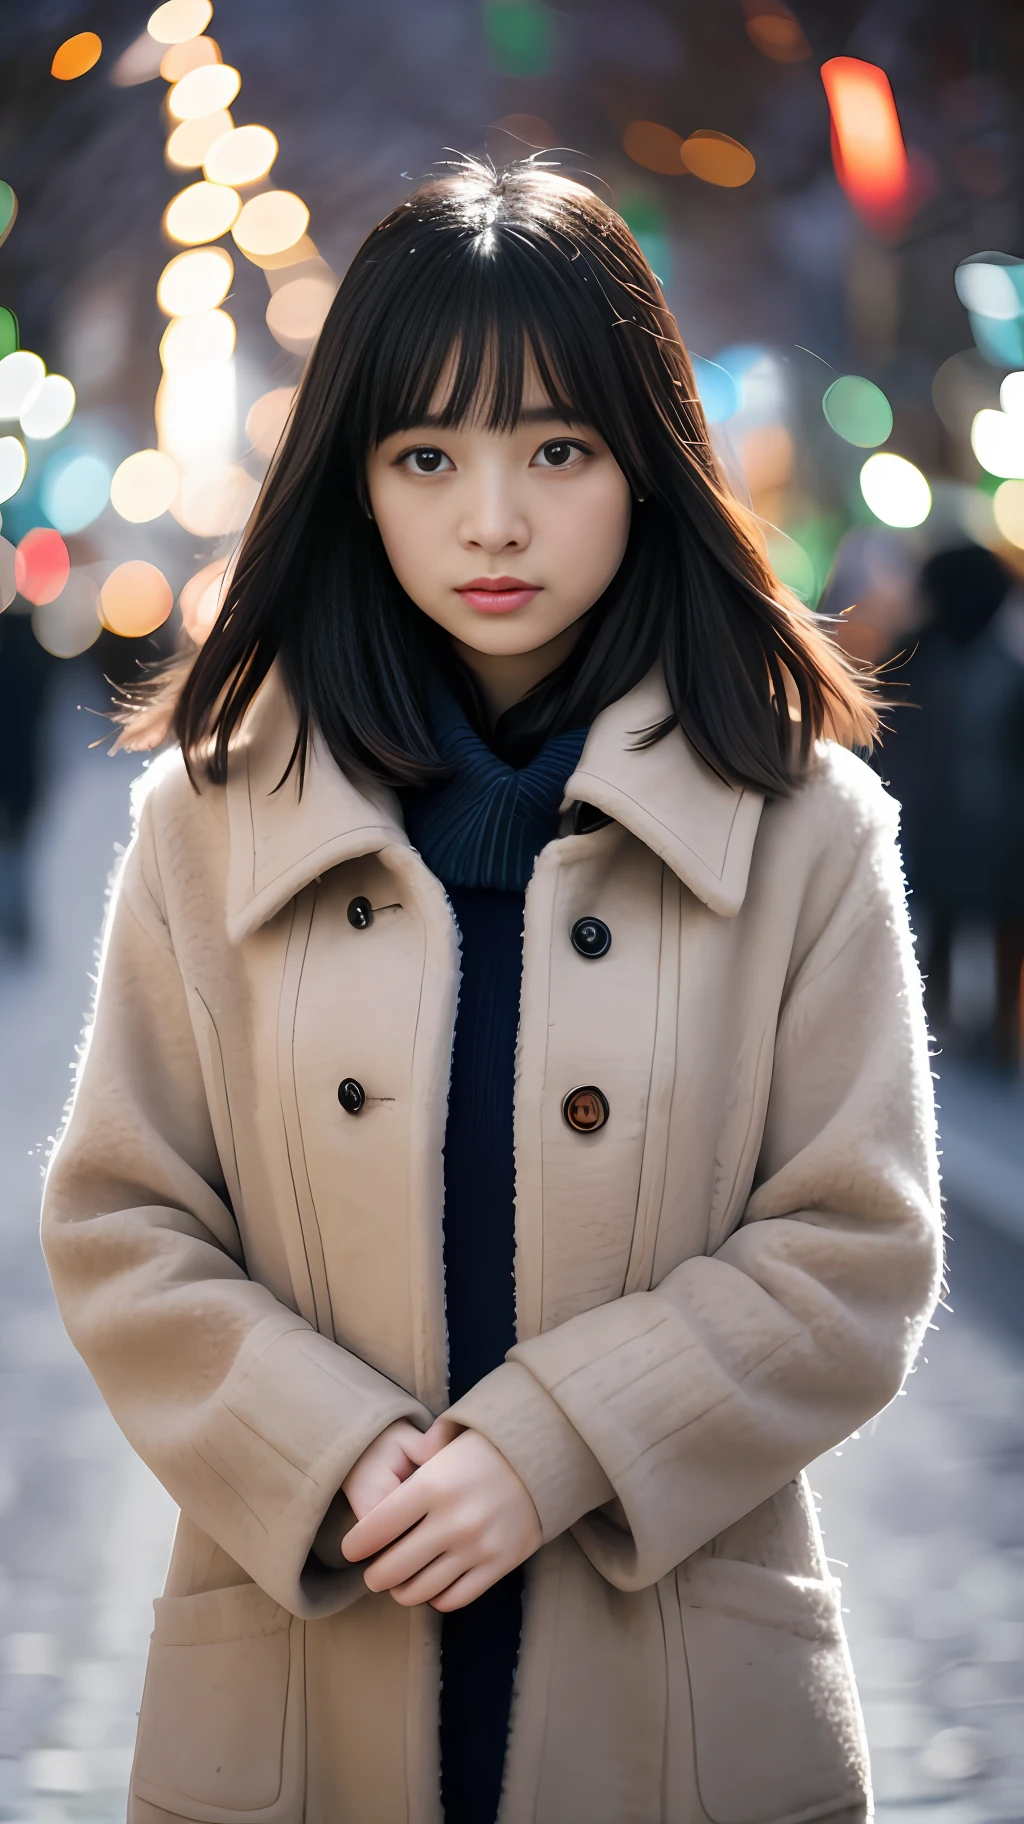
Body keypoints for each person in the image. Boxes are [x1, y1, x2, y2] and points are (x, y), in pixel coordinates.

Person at [41, 160, 942, 1824]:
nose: (493, 519)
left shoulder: (801, 826)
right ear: (355, 481)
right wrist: (323, 1446)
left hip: (673, 1689)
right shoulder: (212, 820)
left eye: (556, 449)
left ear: (646, 464)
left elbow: (851, 1244)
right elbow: (123, 1220)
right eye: (426, 455)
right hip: (306, 1657)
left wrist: (555, 1438)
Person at [880, 542, 1024, 1065]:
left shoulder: (918, 655)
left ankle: (946, 1018)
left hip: (947, 816)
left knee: (950, 914)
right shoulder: (1004, 665)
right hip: (991, 820)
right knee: (983, 918)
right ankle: (988, 1027)